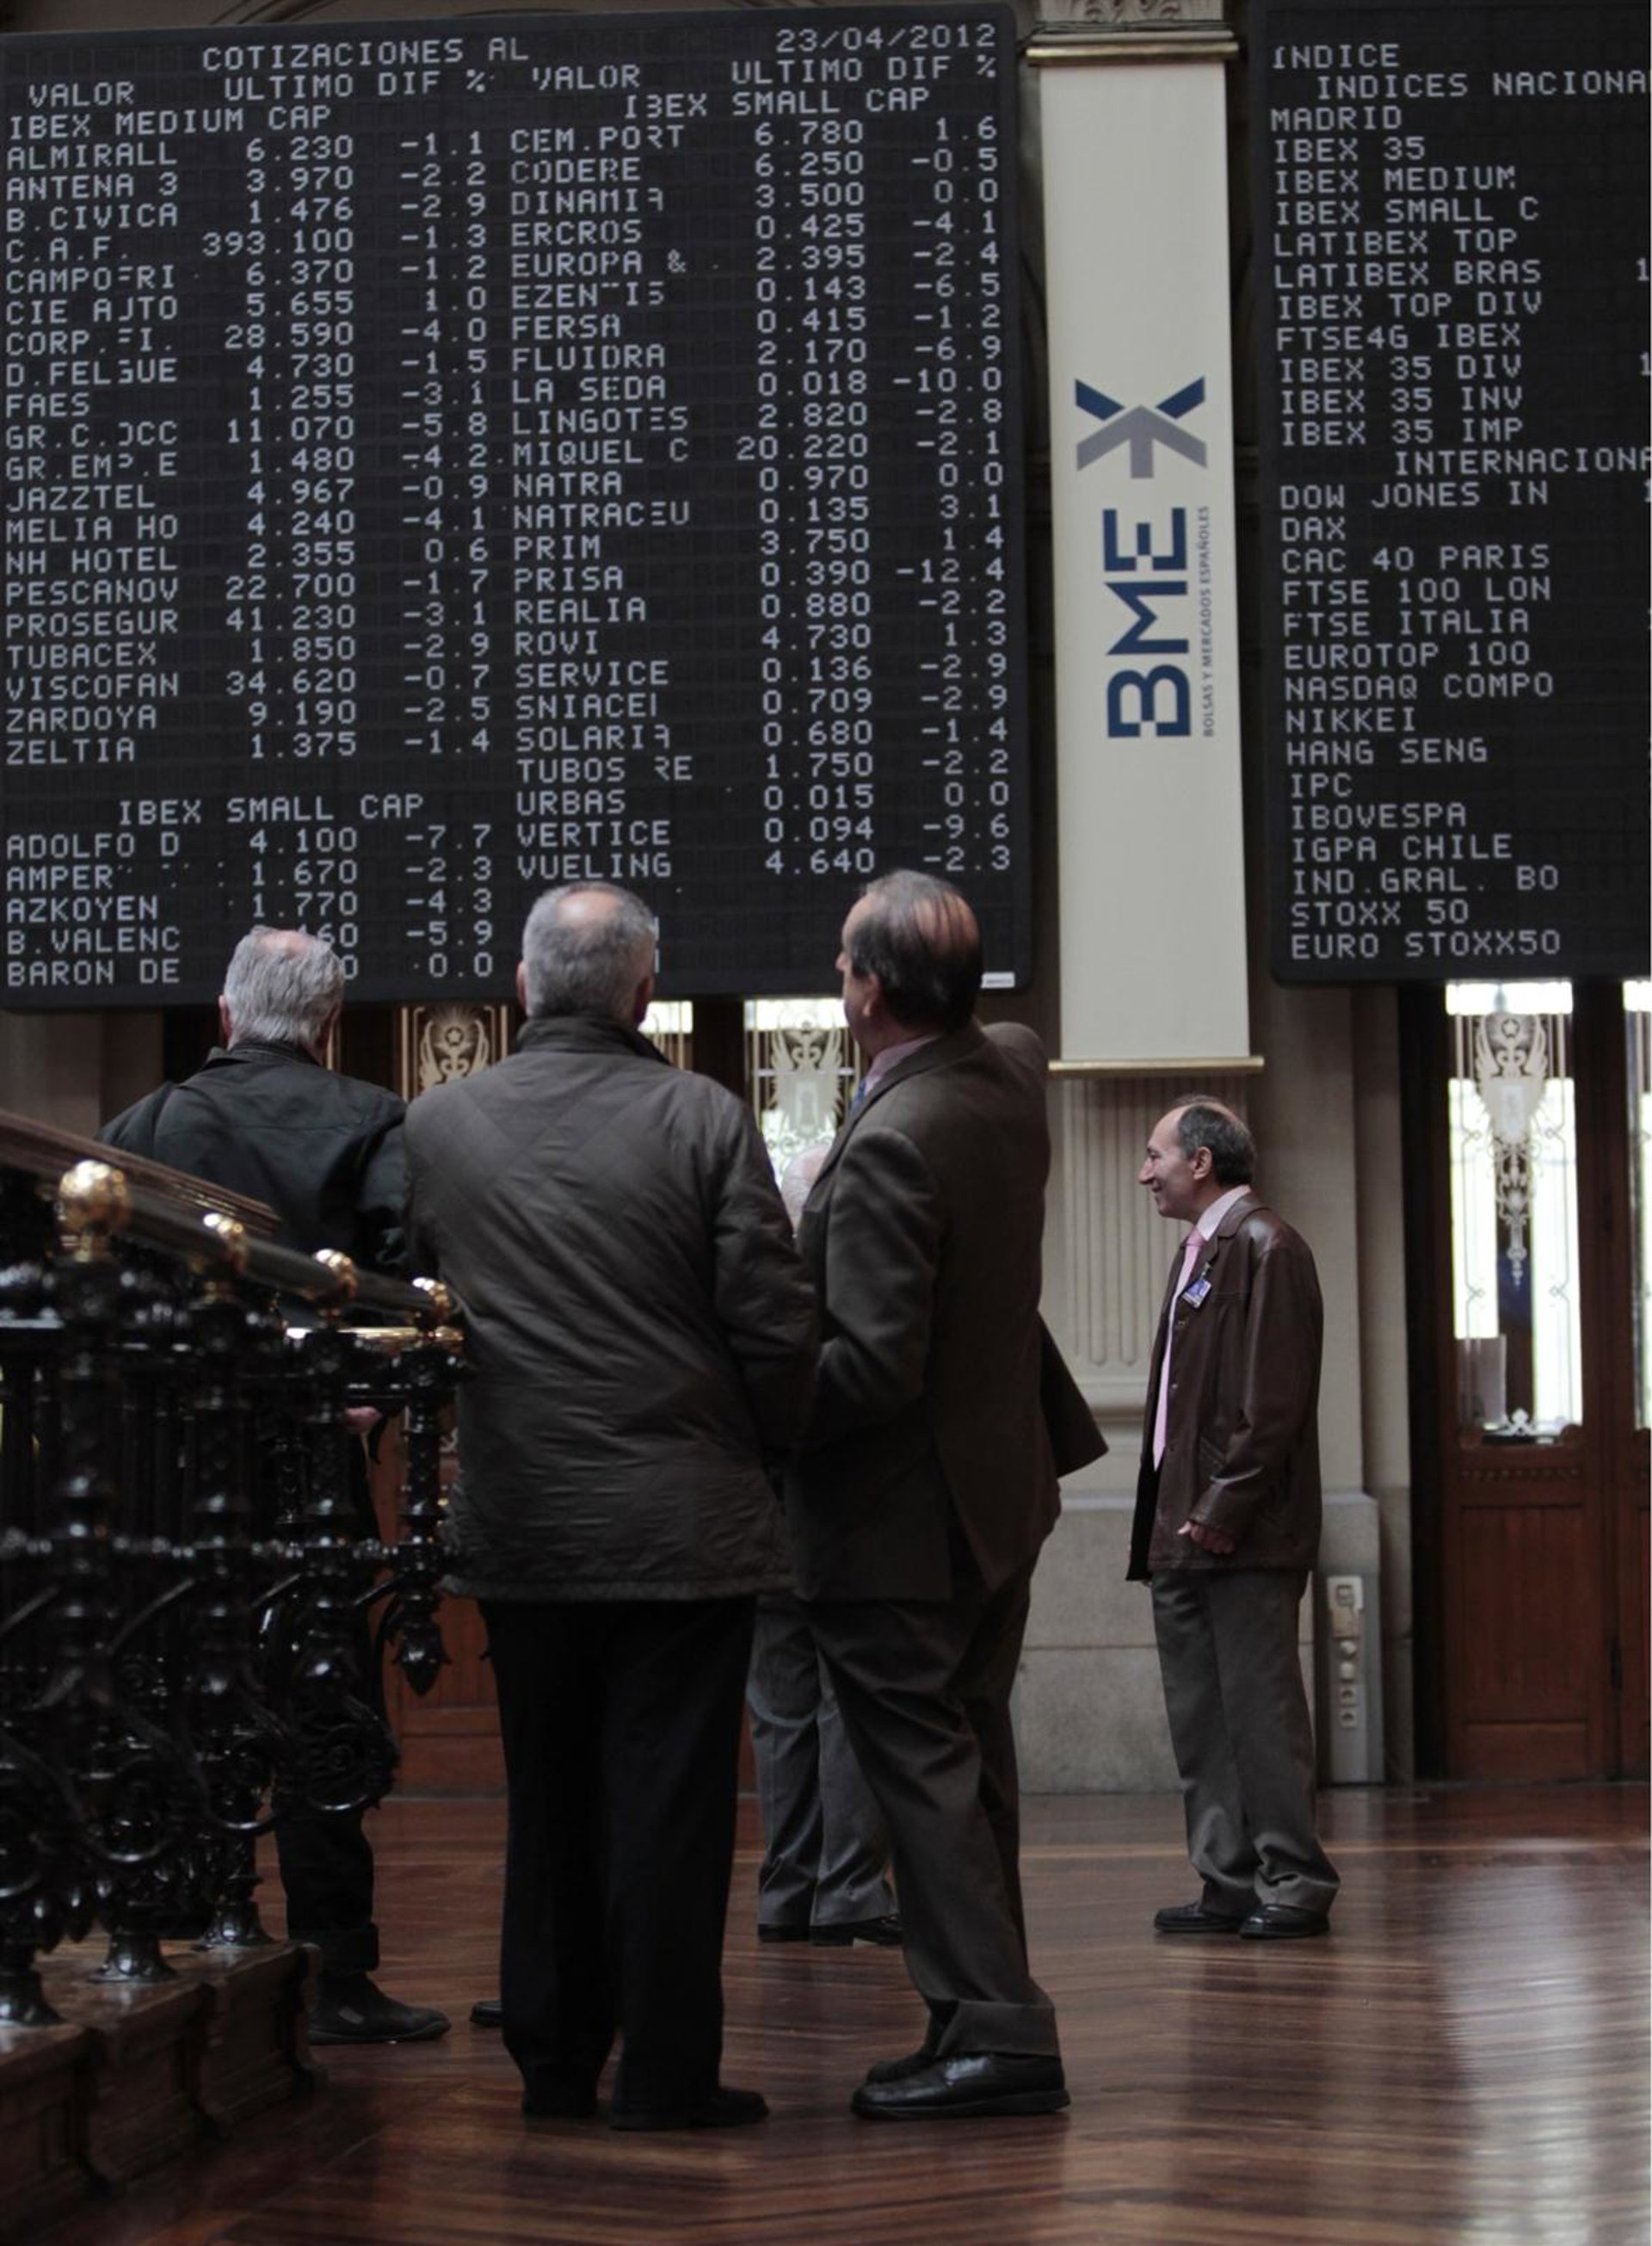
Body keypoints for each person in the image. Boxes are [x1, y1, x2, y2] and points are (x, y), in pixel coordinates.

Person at [402, 883, 817, 2129]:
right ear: (645, 992)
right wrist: (772, 1449)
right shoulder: (704, 1115)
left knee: (549, 1798)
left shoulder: (438, 1123)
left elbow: (409, 1304)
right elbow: (772, 1324)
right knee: (672, 1809)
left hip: (524, 1517)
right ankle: (667, 2076)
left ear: (524, 987)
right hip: (684, 1526)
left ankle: (553, 2061)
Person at [786, 869, 1101, 2121]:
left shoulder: (894, 1145)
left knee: (923, 1775)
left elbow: (870, 1366)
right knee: (972, 1765)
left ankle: (996, 2031)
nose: (838, 977)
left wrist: (752, 1395)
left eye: (844, 963)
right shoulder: (1008, 1071)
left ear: (868, 991)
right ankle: (986, 2007)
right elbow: (1005, 1039)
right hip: (998, 1498)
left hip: (898, 1526)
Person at [100, 927, 447, 2045]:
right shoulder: (371, 1119)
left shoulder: (142, 1127)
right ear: (330, 1021)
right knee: (320, 1705)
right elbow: (409, 1279)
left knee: (177, 1687)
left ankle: (183, 1934)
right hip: (305, 1460)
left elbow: (104, 1293)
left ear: (224, 1014)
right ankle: (337, 1970)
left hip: (174, 1464)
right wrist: (364, 1394)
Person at [1132, 1099, 1340, 1940]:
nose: (1144, 1173)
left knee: (1260, 1714)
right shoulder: (1200, 1251)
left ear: (1201, 1162)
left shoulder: (1268, 1246)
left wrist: (1223, 1506)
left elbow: (1276, 1404)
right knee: (1202, 1718)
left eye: (1155, 1156)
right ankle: (1226, 1881)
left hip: (1244, 1533)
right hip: (1182, 1529)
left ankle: (1296, 1880)